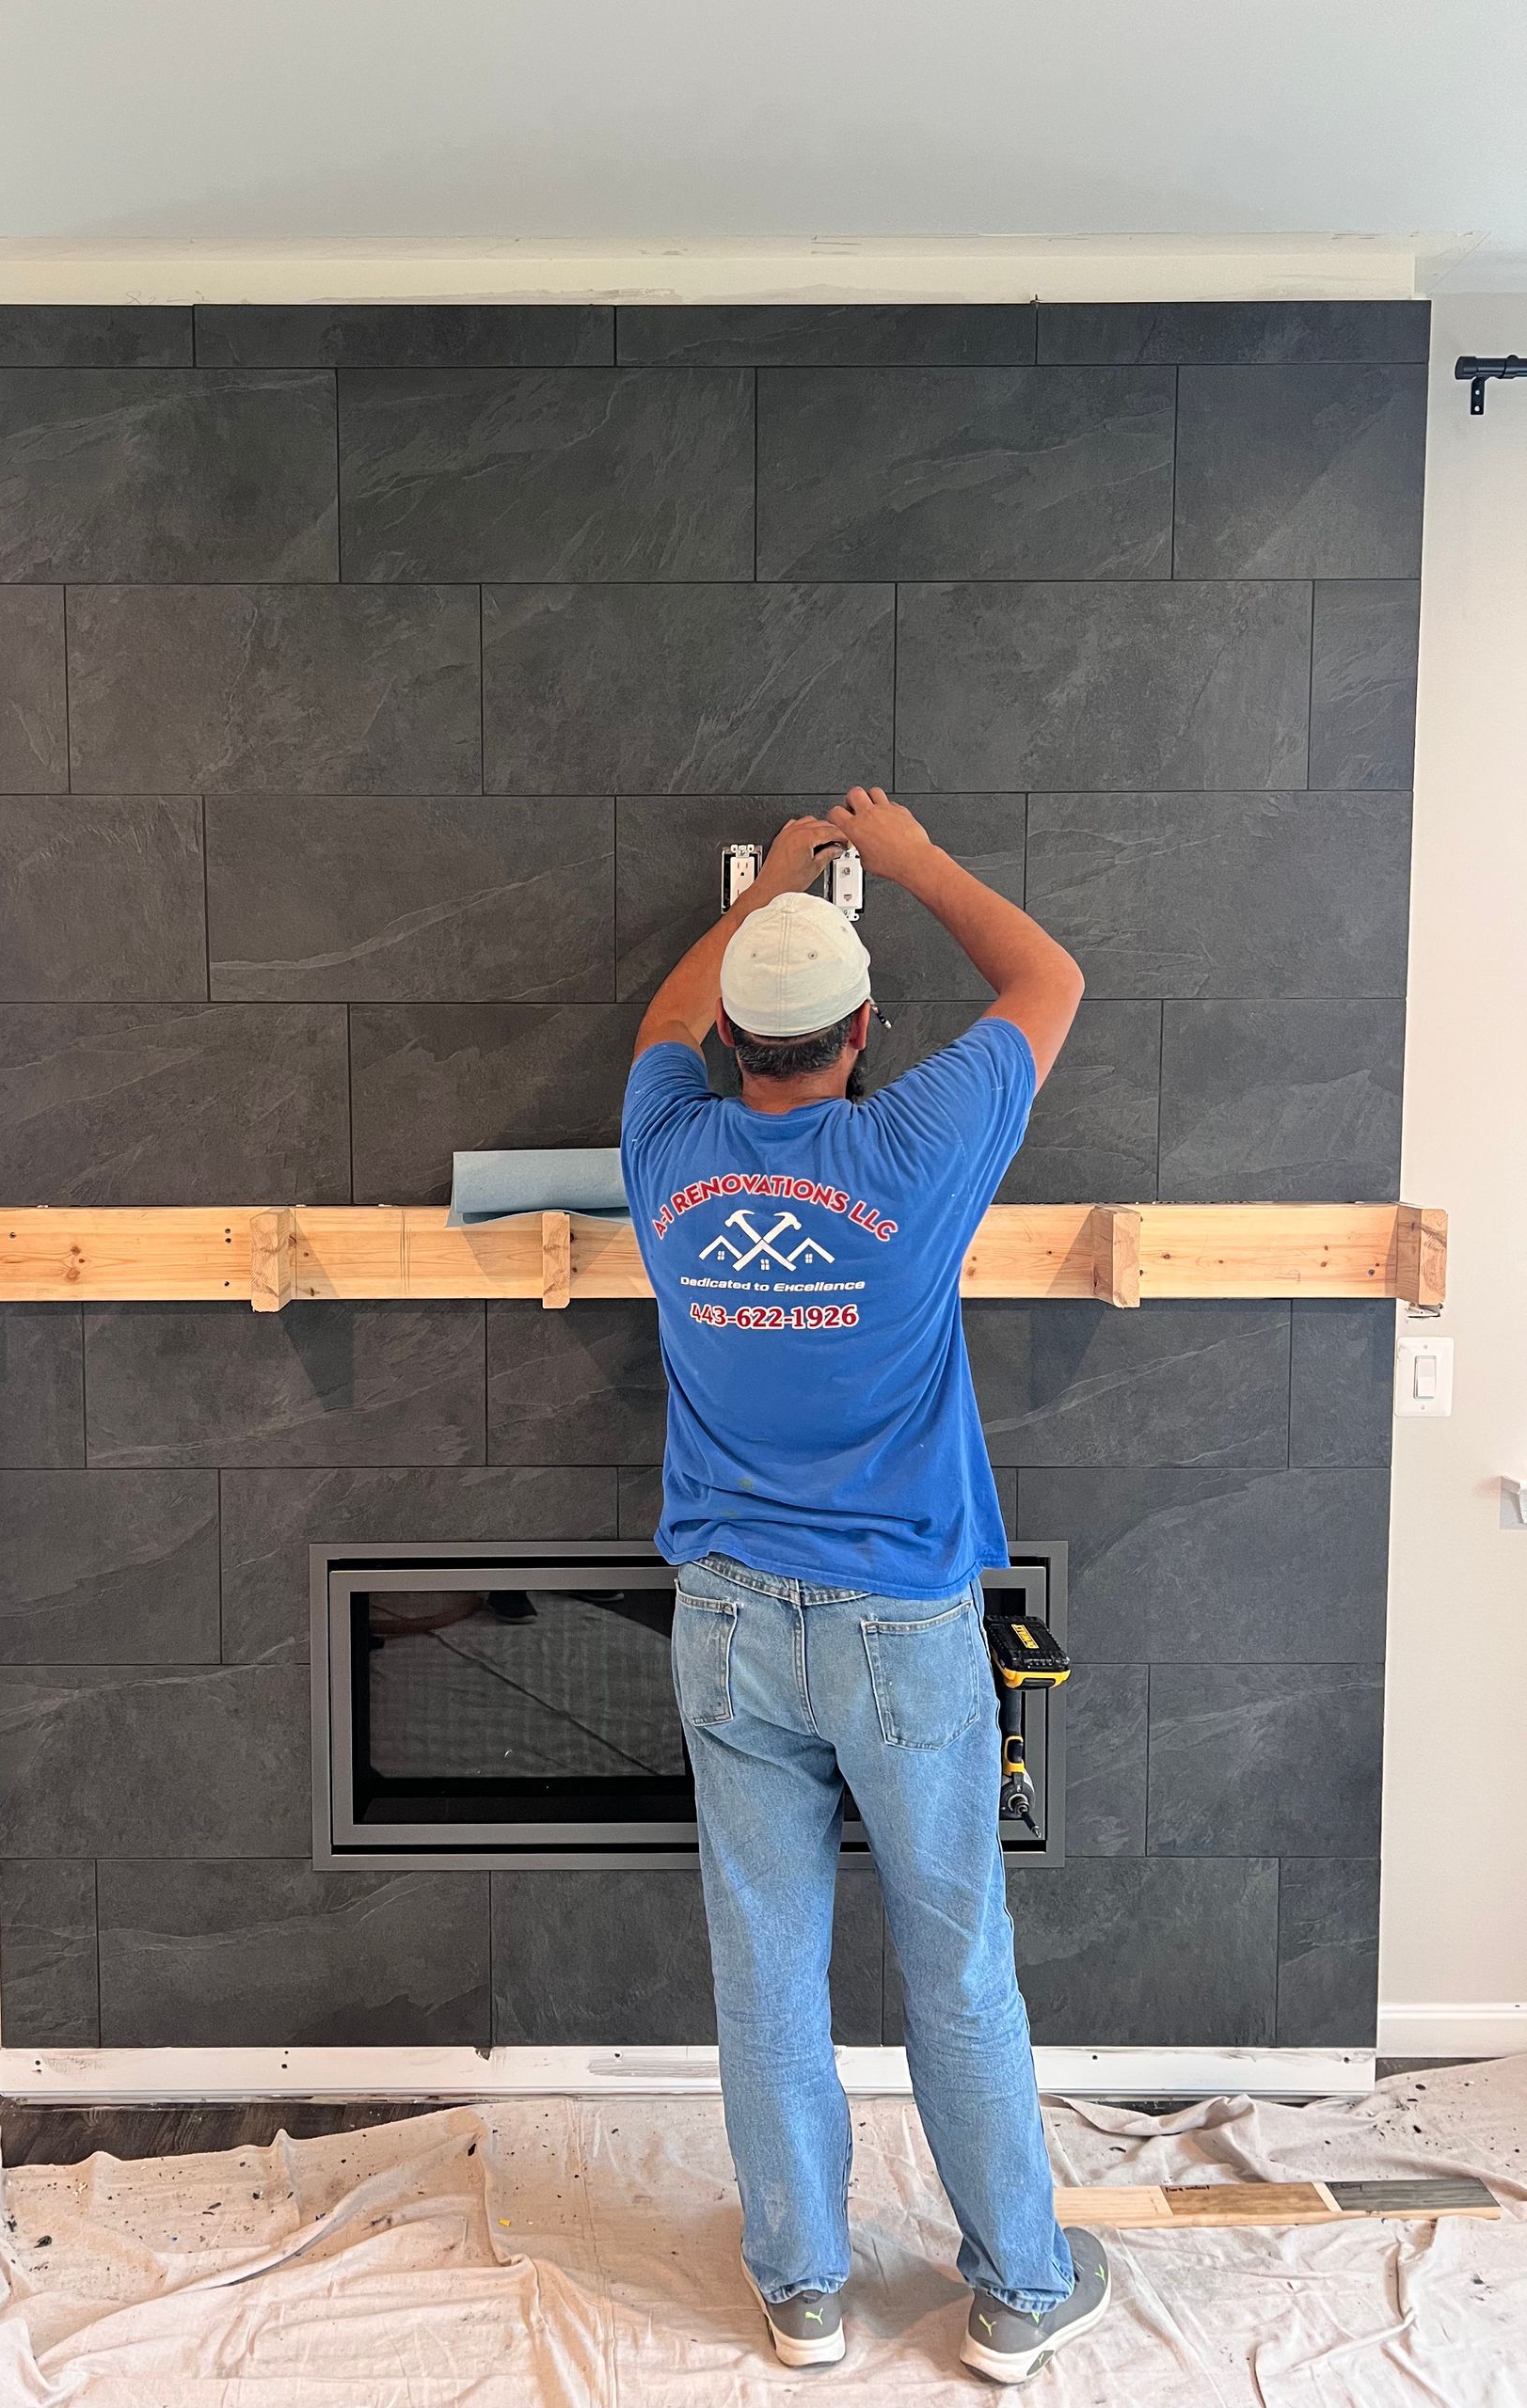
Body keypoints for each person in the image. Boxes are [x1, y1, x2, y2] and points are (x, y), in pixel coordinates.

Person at [618, 786, 1109, 2387]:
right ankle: (1021, 2292)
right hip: (902, 1628)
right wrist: (905, 862)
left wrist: (760, 890)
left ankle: (805, 2289)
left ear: (732, 1047)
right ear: (865, 1028)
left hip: (731, 1623)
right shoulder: (913, 1144)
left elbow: (662, 1015)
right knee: (957, 1965)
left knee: (763, 1966)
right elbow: (1050, 985)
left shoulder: (665, 1145)